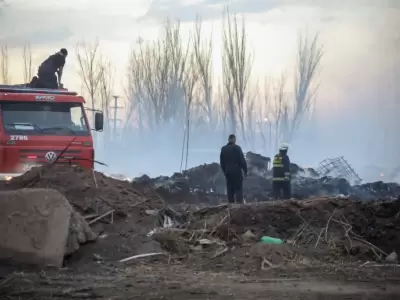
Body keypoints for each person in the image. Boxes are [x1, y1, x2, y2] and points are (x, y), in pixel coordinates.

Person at [220, 134, 247, 203]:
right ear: (234, 139)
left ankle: (231, 204)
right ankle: (239, 205)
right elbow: (242, 161)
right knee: (238, 188)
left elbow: (222, 162)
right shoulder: (237, 148)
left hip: (228, 172)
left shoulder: (223, 149)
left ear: (228, 140)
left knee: (230, 189)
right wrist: (245, 170)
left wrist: (225, 171)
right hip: (237, 171)